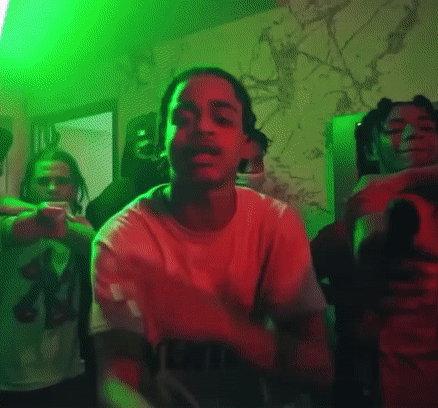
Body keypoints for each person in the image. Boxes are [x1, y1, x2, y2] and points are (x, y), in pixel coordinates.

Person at [90, 67, 333, 408]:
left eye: (222, 118)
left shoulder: (275, 223)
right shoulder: (122, 239)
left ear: (245, 143)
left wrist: (220, 324)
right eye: (183, 118)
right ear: (161, 141)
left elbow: (318, 367)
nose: (203, 128)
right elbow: (116, 382)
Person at [311, 95, 438, 407]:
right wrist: (344, 299)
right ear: (371, 149)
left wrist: (406, 177)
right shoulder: (343, 230)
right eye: (395, 129)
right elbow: (287, 287)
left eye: (426, 128)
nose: (412, 134)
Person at [0, 148, 97, 408]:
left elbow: (98, 246)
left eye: (61, 181)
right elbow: (14, 224)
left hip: (69, 373)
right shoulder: (10, 220)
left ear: (75, 189)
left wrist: (67, 223)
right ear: (27, 186)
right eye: (42, 181)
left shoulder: (81, 228)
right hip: (15, 379)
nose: (52, 188)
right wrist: (36, 211)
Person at [85, 117, 169, 231]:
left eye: (162, 150)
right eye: (147, 150)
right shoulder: (120, 191)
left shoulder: (173, 191)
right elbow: (93, 214)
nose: (158, 157)